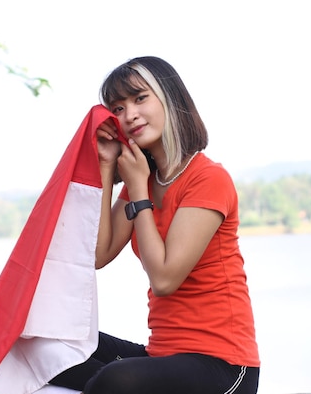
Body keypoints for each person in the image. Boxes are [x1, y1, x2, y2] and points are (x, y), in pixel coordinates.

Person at [49, 56, 260, 394]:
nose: (129, 114)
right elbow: (99, 254)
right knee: (51, 348)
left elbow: (164, 279)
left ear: (169, 98)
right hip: (163, 356)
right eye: (117, 108)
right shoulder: (144, 181)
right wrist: (106, 166)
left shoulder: (208, 178)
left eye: (139, 98)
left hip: (224, 366)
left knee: (114, 381)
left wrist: (136, 190)